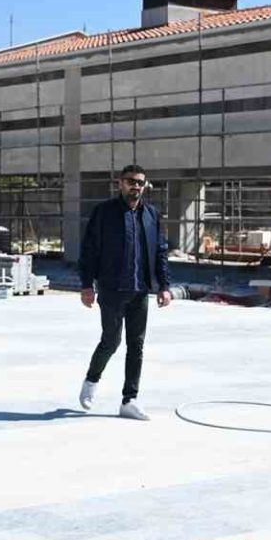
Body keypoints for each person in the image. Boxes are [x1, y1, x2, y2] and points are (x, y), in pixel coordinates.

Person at [76, 164, 173, 420]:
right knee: (111, 340)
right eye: (131, 181)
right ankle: (91, 380)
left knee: (136, 346)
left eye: (140, 182)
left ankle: (130, 400)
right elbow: (89, 250)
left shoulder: (151, 215)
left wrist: (164, 286)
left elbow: (160, 252)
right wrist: (86, 285)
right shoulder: (104, 213)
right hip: (112, 288)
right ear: (120, 183)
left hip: (140, 290)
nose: (136, 186)